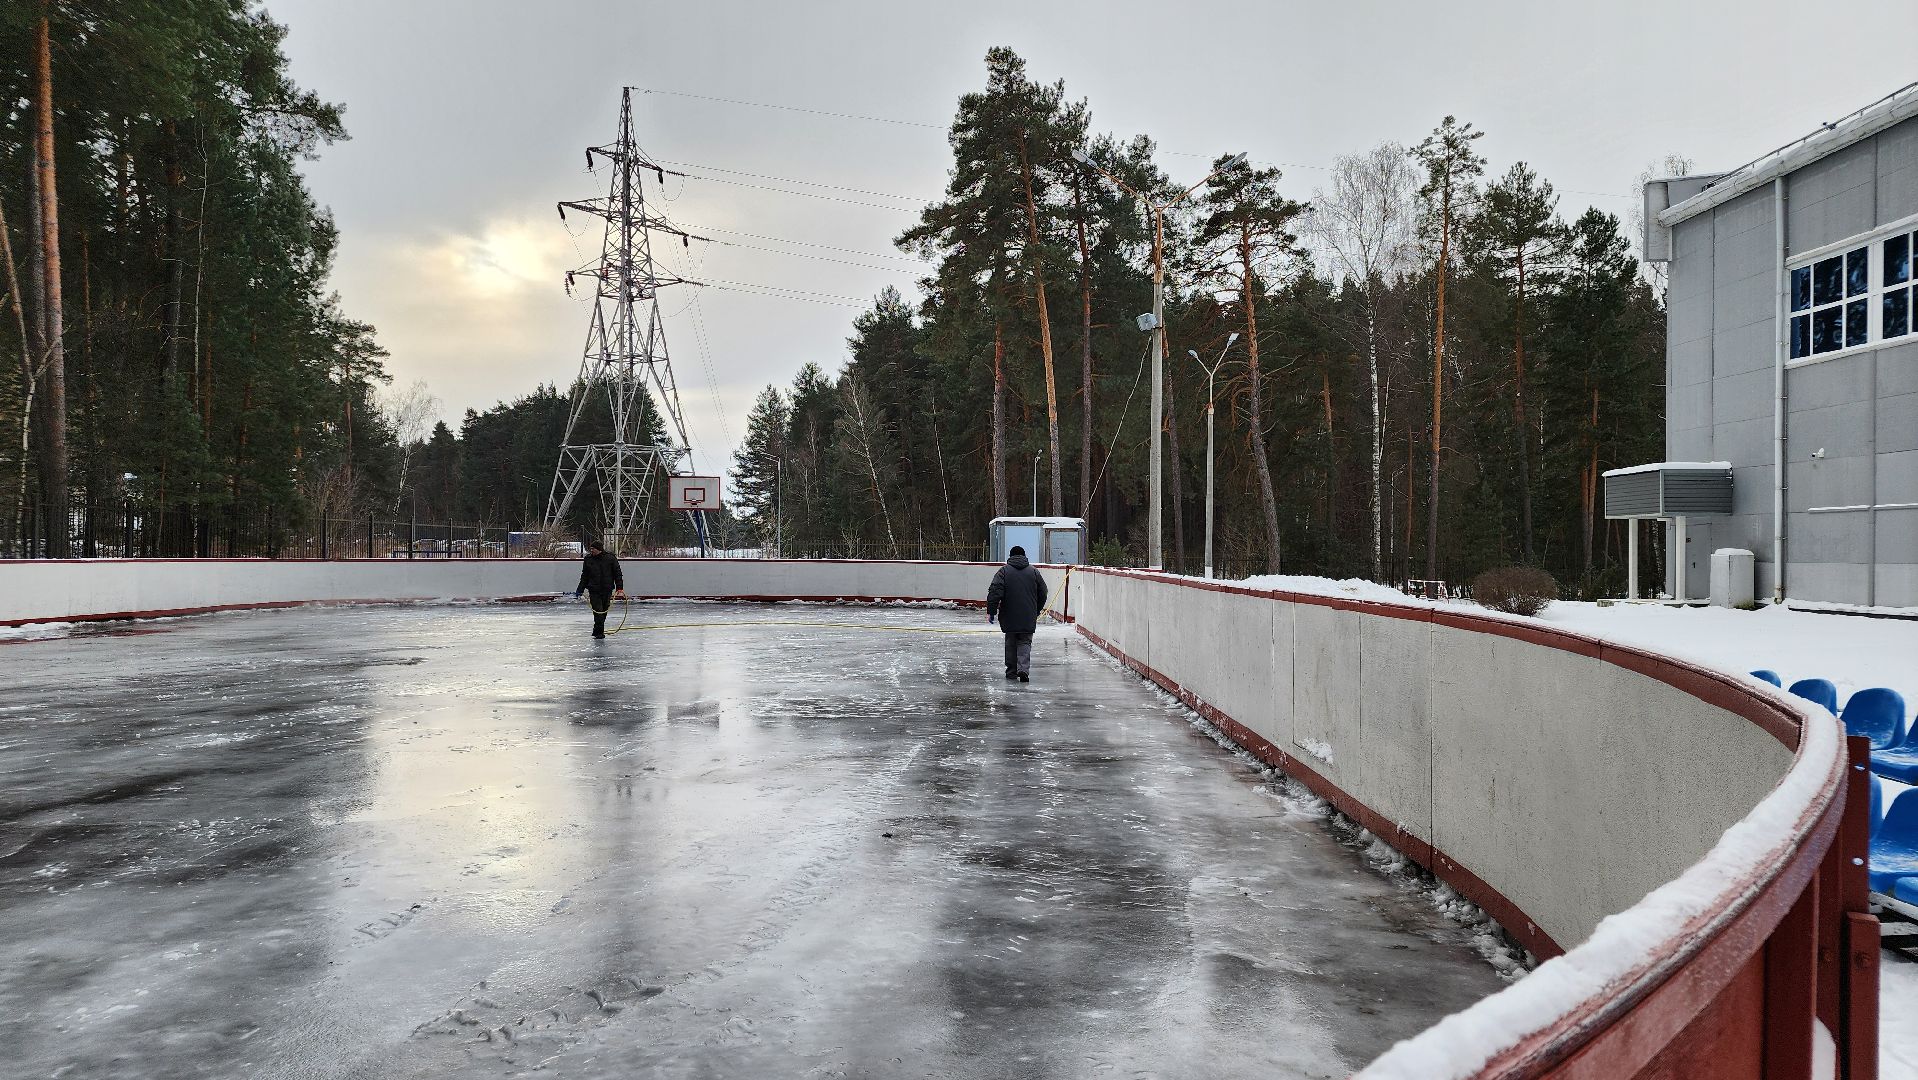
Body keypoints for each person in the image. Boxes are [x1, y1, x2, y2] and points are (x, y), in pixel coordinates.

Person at [986, 545, 1048, 682]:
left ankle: (1011, 672)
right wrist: (1036, 609)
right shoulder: (1034, 572)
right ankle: (1023, 670)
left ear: (1010, 556)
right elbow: (1043, 592)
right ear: (1024, 556)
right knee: (1025, 642)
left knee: (1011, 642)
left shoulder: (1003, 572)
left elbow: (994, 592)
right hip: (1028, 615)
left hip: (1009, 614)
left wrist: (991, 611)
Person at [574, 540, 625, 638]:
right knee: (598, 611)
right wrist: (580, 590)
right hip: (594, 590)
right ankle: (599, 633)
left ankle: (597, 630)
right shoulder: (588, 559)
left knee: (604, 611)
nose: (591, 550)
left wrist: (620, 588)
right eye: (591, 548)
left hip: (607, 589)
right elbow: (584, 576)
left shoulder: (610, 558)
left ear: (599, 549)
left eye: (593, 549)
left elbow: (617, 573)